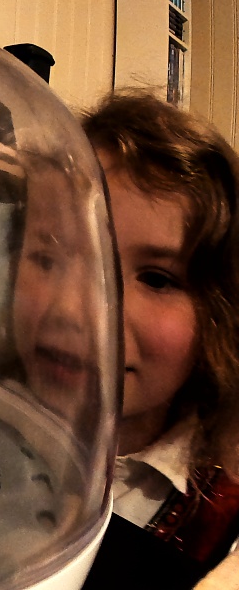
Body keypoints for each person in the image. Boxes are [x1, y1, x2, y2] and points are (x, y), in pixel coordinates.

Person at [79, 91, 239, 588]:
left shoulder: (224, 522)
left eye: (157, 278)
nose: (93, 307)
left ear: (219, 318)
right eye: (64, 253)